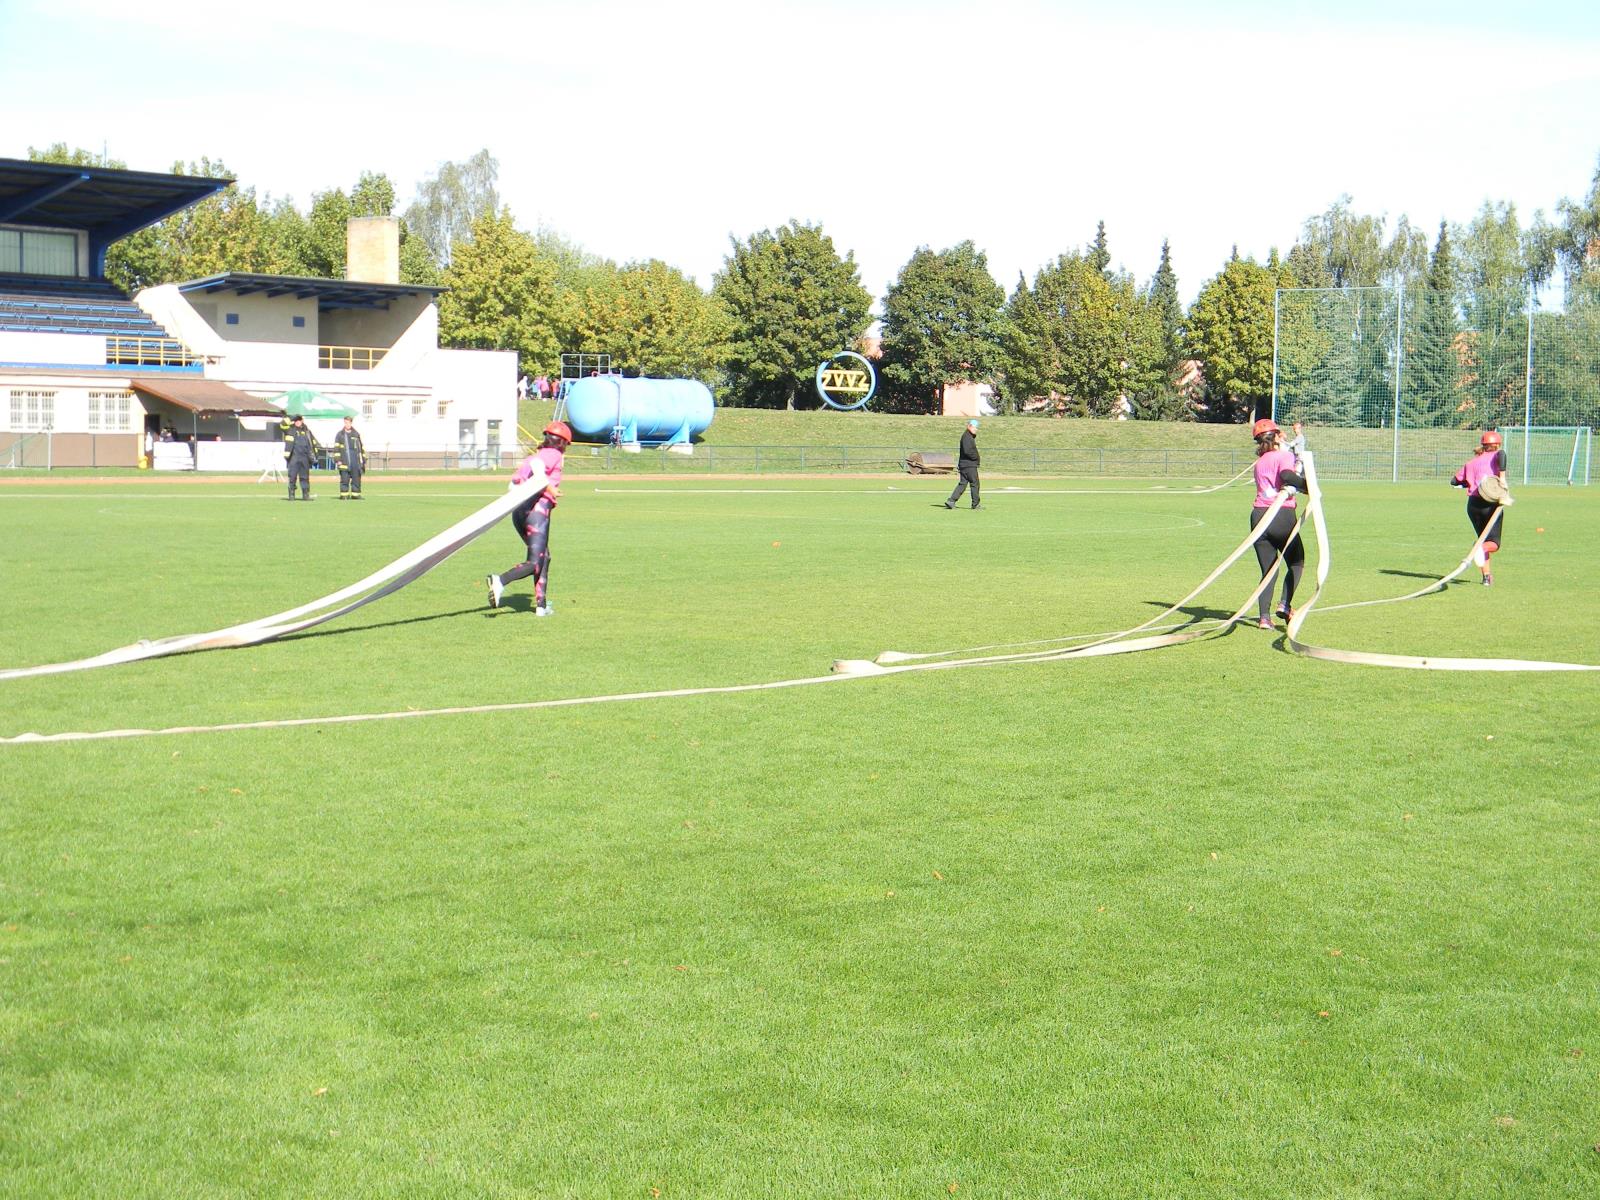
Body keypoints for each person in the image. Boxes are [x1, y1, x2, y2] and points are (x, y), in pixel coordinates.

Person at [487, 420, 571, 616]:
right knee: (535, 562)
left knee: (544, 557)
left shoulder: (536, 454)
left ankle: (541, 606)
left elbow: (513, 484)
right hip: (537, 510)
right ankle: (500, 581)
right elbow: (538, 465)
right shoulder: (553, 454)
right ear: (562, 443)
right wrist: (549, 486)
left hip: (520, 511)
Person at [1249, 417, 1308, 629]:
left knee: (1268, 570)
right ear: (1274, 436)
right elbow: (1287, 477)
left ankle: (1264, 618)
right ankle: (1284, 603)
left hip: (1258, 515)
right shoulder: (1282, 456)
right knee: (1296, 562)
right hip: (1280, 515)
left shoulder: (1259, 463)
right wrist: (1307, 485)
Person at [1451, 430, 1510, 586]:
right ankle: (1478, 549)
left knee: (1483, 541)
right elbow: (1502, 455)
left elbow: (1454, 481)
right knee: (1493, 544)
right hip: (1490, 505)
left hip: (1473, 506)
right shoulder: (1497, 455)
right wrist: (1502, 479)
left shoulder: (1471, 462)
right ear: (1497, 444)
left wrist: (1468, 483)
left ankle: (1486, 577)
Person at [944, 418, 982, 510]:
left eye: (977, 427)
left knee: (963, 483)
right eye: (974, 427)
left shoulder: (967, 436)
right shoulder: (967, 437)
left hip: (964, 465)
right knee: (974, 483)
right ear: (969, 426)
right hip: (969, 465)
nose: (976, 429)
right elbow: (968, 451)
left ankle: (951, 501)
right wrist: (976, 458)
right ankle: (975, 504)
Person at [281, 413, 320, 501]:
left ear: (302, 421)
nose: (297, 422)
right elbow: (282, 424)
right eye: (296, 420)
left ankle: (305, 495)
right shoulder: (289, 429)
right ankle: (291, 495)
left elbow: (313, 444)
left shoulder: (307, 432)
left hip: (304, 457)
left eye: (299, 420)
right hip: (293, 457)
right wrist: (292, 417)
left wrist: (315, 456)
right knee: (292, 477)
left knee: (305, 477)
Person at [332, 416, 367, 499]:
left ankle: (356, 495)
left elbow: (360, 448)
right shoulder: (340, 435)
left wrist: (363, 459)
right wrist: (338, 460)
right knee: (344, 479)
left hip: (355, 461)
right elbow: (336, 448)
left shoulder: (356, 434)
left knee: (356, 479)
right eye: (345, 422)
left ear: (351, 423)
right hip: (344, 460)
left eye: (348, 422)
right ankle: (344, 495)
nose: (347, 424)